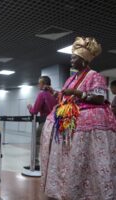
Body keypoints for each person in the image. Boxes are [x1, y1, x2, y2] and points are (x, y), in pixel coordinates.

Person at [41, 37, 116, 199]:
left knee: (84, 161)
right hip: (69, 124)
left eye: (74, 57)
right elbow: (64, 96)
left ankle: (89, 191)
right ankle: (65, 188)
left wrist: (77, 93)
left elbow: (100, 99)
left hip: (85, 123)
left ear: (83, 60)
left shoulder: (94, 76)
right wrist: (54, 92)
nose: (71, 59)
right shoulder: (71, 78)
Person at [26, 76, 57, 170]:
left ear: (43, 84)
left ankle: (35, 163)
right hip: (56, 123)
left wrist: (29, 107)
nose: (38, 85)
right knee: (52, 144)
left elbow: (34, 111)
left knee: (37, 141)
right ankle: (52, 165)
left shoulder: (42, 94)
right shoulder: (55, 94)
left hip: (44, 122)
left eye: (39, 83)